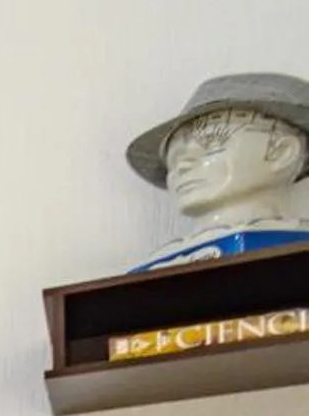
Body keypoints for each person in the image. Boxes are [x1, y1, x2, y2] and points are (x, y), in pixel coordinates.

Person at [126, 73, 309, 271]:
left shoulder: (290, 246)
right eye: (174, 159)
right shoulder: (163, 262)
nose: (183, 165)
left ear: (282, 152)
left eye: (213, 145)